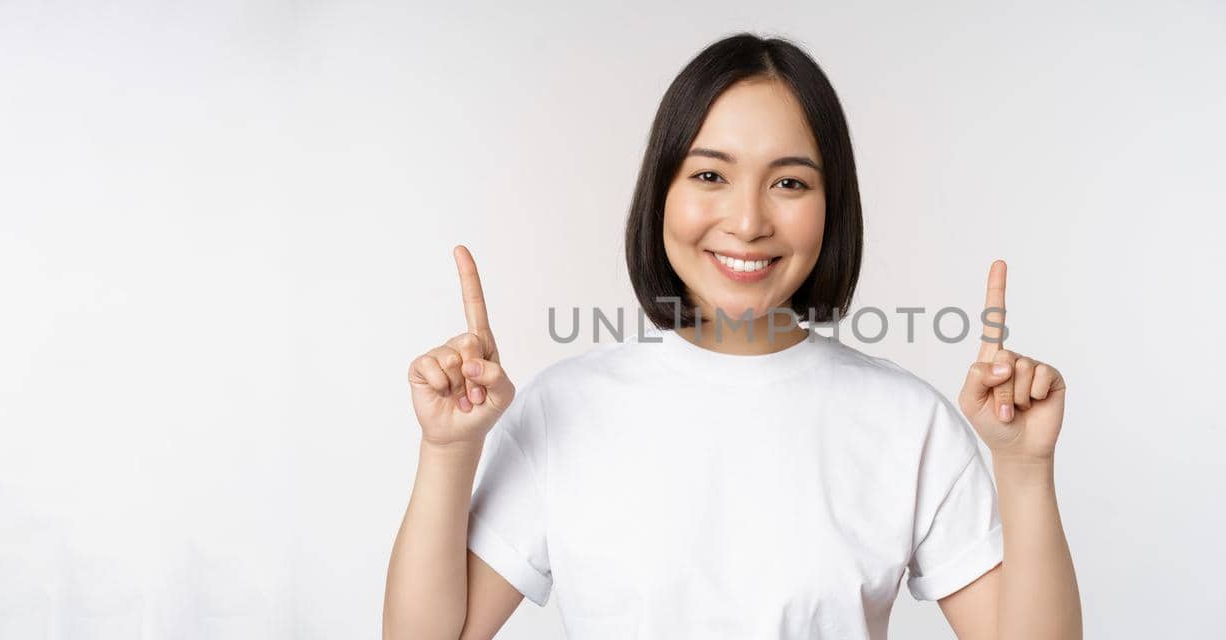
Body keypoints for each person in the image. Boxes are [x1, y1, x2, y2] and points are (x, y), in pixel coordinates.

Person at [383, 33, 1080, 640]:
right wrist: (449, 450)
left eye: (790, 183)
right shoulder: (563, 408)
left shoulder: (907, 423)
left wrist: (1023, 470)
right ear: (662, 192)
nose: (747, 222)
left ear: (832, 208)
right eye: (710, 175)